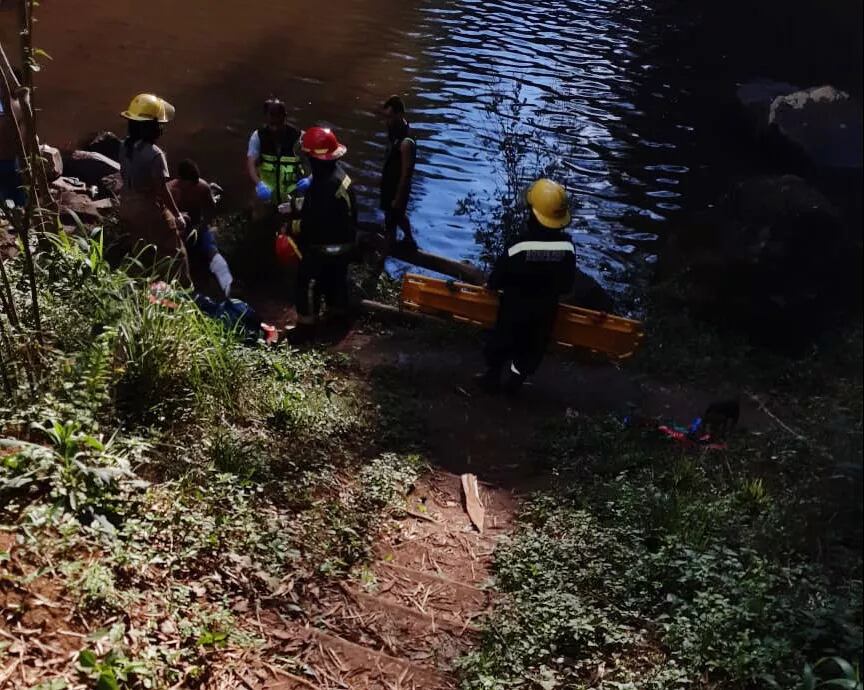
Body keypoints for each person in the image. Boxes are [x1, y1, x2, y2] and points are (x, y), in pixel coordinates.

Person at [475, 179, 576, 395]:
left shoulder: (519, 246)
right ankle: (515, 383)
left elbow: (497, 277)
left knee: (501, 342)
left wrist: (492, 284)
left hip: (514, 309)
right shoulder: (567, 248)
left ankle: (492, 377)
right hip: (544, 313)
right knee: (531, 351)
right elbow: (567, 285)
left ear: (532, 213)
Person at [117, 93, 191, 286]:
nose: (161, 129)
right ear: (151, 127)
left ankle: (142, 287)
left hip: (126, 204)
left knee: (141, 248)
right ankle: (183, 293)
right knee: (176, 253)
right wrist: (177, 216)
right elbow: (162, 190)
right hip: (147, 210)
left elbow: (124, 175)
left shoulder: (124, 145)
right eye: (159, 125)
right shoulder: (155, 155)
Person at [291, 126, 357, 325]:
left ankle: (306, 324)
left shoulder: (323, 185)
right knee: (335, 279)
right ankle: (337, 313)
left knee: (306, 280)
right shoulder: (339, 175)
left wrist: (292, 228)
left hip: (326, 245)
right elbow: (331, 210)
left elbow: (313, 225)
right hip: (345, 243)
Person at [167, 159, 233, 297]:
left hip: (198, 227)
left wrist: (200, 226)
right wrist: (178, 222)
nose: (193, 186)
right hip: (176, 231)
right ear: (181, 180)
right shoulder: (171, 192)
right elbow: (164, 219)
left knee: (212, 252)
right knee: (175, 257)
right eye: (190, 184)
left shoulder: (202, 187)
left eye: (195, 182)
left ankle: (228, 287)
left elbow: (210, 210)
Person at [246, 98, 304, 208]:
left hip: (292, 195)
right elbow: (251, 164)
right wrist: (259, 184)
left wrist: (309, 180)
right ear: (266, 117)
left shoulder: (298, 136)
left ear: (285, 116)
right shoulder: (258, 136)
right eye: (272, 124)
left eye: (279, 123)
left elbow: (316, 161)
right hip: (267, 194)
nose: (275, 129)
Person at [379, 95, 417, 249]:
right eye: (386, 117)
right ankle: (409, 240)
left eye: (390, 117)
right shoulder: (394, 132)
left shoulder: (406, 142)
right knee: (399, 217)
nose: (387, 121)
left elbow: (406, 174)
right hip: (390, 183)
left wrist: (398, 197)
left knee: (391, 221)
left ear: (400, 114)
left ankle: (381, 261)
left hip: (397, 188)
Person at [0, 67, 27, 207]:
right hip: (14, 157)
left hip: (8, 158)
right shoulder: (22, 106)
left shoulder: (10, 106)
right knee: (18, 195)